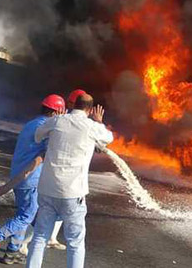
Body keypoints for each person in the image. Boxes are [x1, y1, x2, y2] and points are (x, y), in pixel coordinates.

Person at [0, 94, 66, 264]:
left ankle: (12, 252)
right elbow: (53, 150)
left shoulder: (32, 123)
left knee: (22, 214)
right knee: (26, 216)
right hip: (30, 177)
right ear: (55, 112)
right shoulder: (45, 128)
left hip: (20, 176)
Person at [26, 93, 114, 268]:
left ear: (74, 105)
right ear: (89, 110)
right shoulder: (91, 126)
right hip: (73, 193)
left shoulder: (58, 121)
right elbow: (109, 138)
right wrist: (98, 121)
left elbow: (37, 135)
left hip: (48, 189)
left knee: (39, 237)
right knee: (75, 243)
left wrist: (56, 124)